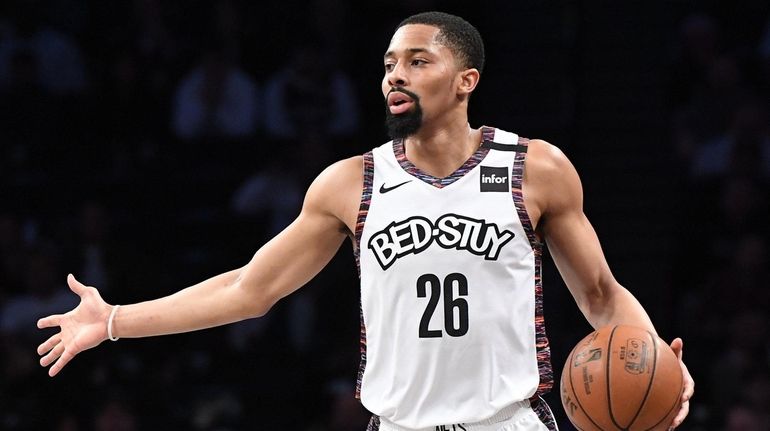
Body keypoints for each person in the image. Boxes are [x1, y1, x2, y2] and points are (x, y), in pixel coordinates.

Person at [37, 11, 694, 431]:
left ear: (466, 80)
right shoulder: (351, 183)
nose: (394, 76)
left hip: (510, 422)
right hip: (399, 424)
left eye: (416, 61)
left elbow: (602, 296)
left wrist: (657, 358)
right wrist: (116, 319)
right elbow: (249, 289)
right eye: (387, 64)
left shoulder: (537, 168)